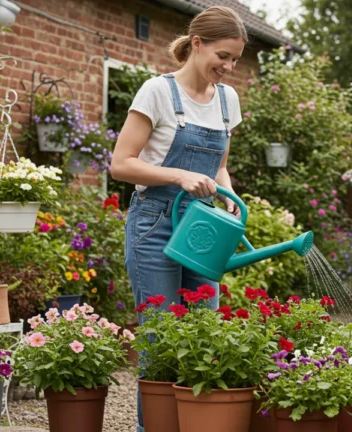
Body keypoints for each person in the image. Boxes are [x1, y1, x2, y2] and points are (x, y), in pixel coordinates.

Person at [110, 6, 246, 431]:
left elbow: (219, 166)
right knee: (160, 339)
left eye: (236, 60)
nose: (228, 67)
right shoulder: (157, 91)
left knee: (204, 337)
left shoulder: (228, 100)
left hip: (203, 226)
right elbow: (121, 164)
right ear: (197, 44)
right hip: (154, 223)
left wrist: (229, 196)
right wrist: (179, 174)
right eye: (222, 56)